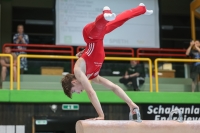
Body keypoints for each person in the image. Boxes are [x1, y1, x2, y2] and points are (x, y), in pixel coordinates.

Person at [61, 3, 153, 120]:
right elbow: (114, 87)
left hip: (89, 34)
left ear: (74, 82)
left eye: (75, 91)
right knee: (119, 21)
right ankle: (141, 9)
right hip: (97, 37)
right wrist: (130, 103)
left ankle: (104, 15)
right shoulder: (93, 77)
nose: (79, 92)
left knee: (97, 31)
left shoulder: (78, 71)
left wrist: (101, 115)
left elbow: (91, 93)